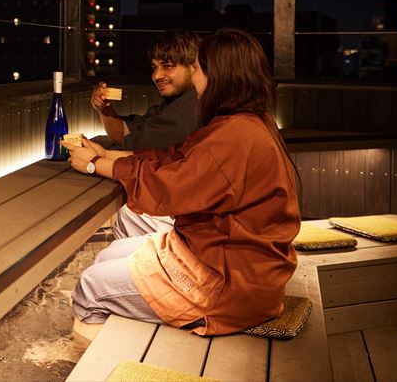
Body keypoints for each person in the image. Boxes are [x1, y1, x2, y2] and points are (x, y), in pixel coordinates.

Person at [61, 28, 300, 341]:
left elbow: (169, 184)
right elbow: (173, 158)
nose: (196, 80)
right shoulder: (244, 122)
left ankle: (96, 361)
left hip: (230, 281)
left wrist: (94, 164)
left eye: (198, 68)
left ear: (218, 75)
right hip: (228, 259)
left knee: (90, 286)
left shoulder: (236, 134)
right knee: (109, 256)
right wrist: (105, 155)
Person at [91, 30, 200, 239]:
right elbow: (126, 133)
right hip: (188, 209)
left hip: (192, 219)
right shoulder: (176, 102)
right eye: (154, 67)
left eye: (168, 66)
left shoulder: (188, 108)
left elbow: (132, 149)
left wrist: (94, 161)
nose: (157, 75)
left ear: (194, 67)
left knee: (129, 211)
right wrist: (105, 110)